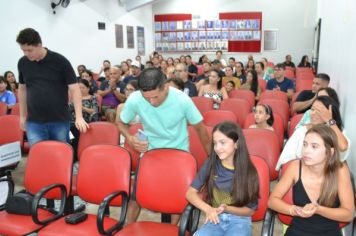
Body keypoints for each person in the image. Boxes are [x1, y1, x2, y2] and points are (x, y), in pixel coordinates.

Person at [117, 68, 210, 224]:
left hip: (178, 153)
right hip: (150, 153)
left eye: (155, 97)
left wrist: (212, 158)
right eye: (147, 98)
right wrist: (130, 138)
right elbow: (120, 122)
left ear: (166, 86)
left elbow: (201, 130)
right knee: (136, 196)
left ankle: (172, 230)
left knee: (177, 199)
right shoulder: (135, 98)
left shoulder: (182, 100)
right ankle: (128, 227)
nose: (152, 102)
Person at [268, 124, 354, 236]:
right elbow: (272, 201)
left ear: (330, 152)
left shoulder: (340, 170)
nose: (306, 151)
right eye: (305, 144)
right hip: (297, 231)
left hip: (329, 232)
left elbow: (348, 214)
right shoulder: (295, 166)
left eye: (314, 146)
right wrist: (294, 210)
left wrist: (318, 209)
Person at [16, 28, 88, 147]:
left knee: (61, 156)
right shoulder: (23, 63)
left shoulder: (60, 61)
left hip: (59, 120)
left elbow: (75, 89)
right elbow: (22, 90)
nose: (26, 54)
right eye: (23, 50)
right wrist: (23, 116)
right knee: (38, 157)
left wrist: (79, 117)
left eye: (30, 50)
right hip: (34, 121)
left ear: (39, 45)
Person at [186, 121, 259, 236]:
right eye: (215, 143)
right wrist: (208, 209)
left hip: (240, 220)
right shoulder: (211, 163)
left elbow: (250, 210)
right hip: (215, 217)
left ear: (236, 144)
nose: (217, 148)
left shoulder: (249, 172)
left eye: (222, 143)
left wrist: (227, 208)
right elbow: (190, 193)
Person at [276, 96, 349, 170]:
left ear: (330, 114)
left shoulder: (337, 131)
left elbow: (343, 147)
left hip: (329, 175)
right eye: (312, 109)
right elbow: (285, 159)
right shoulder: (301, 131)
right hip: (303, 173)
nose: (313, 113)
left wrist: (330, 120)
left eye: (319, 111)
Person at [69, 79, 99, 160]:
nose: (81, 90)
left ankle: (80, 155)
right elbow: (69, 109)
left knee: (76, 130)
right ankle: (73, 156)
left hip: (87, 122)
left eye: (83, 88)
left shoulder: (92, 98)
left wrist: (82, 108)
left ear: (88, 88)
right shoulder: (75, 98)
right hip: (73, 122)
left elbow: (94, 111)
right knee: (70, 130)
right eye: (79, 88)